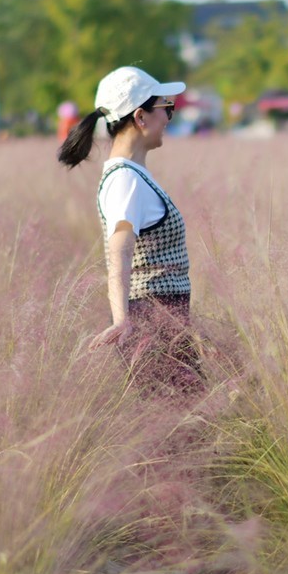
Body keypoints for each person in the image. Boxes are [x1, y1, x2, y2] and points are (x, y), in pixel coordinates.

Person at [57, 66, 199, 391]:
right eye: (167, 109)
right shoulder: (124, 180)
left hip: (163, 321)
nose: (168, 119)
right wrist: (122, 320)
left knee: (186, 427)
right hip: (152, 322)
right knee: (184, 427)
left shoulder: (132, 175)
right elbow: (119, 252)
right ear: (141, 117)